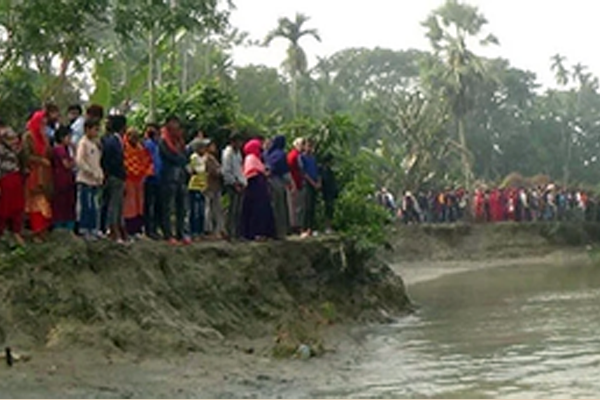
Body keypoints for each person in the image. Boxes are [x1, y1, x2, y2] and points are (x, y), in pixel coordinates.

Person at [23, 110, 54, 242]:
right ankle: (36, 231)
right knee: (35, 203)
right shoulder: (28, 136)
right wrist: (40, 160)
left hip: (45, 174)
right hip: (34, 173)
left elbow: (49, 153)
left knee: (45, 201)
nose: (44, 125)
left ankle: (43, 230)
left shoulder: (44, 137)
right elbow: (25, 156)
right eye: (42, 122)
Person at [159, 116, 190, 245]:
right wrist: (179, 158)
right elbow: (168, 156)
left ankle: (180, 233)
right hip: (168, 177)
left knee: (181, 207)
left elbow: (185, 157)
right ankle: (168, 234)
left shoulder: (180, 141)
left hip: (180, 177)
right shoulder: (163, 140)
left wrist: (181, 158)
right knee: (167, 207)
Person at [240, 139, 275, 241]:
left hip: (260, 188)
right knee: (255, 211)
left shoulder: (257, 158)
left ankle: (263, 232)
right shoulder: (250, 158)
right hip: (254, 188)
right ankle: (255, 233)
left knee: (263, 210)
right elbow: (249, 173)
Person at [75, 119, 104, 240]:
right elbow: (80, 161)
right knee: (87, 205)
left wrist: (99, 175)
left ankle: (93, 228)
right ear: (87, 129)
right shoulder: (83, 143)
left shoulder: (95, 144)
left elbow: (97, 162)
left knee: (95, 206)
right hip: (85, 180)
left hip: (95, 181)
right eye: (95, 129)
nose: (96, 132)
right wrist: (90, 172)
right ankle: (85, 228)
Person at [101, 115, 128, 243]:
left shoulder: (116, 140)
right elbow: (109, 160)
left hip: (117, 176)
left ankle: (119, 228)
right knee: (114, 204)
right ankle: (113, 229)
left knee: (118, 205)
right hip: (114, 176)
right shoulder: (113, 141)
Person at [123, 127, 153, 238]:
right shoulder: (124, 147)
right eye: (133, 137)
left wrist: (145, 173)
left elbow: (147, 161)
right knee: (129, 205)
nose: (135, 139)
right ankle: (129, 229)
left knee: (139, 204)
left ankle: (138, 228)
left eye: (137, 137)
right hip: (129, 179)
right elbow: (125, 163)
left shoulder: (141, 148)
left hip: (139, 179)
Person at [0, 124, 26, 247]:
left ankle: (16, 232)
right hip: (5, 179)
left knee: (17, 206)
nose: (14, 141)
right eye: (11, 139)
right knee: (5, 207)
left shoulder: (13, 149)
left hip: (15, 178)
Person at [265, 135, 291, 240]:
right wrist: (289, 182)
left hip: (268, 182)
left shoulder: (268, 153)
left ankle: (270, 231)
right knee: (280, 207)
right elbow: (284, 170)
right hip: (278, 182)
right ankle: (280, 232)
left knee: (272, 206)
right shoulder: (281, 154)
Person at [222, 132, 246, 240]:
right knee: (231, 209)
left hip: (240, 182)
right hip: (232, 184)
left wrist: (243, 182)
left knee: (238, 210)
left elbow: (239, 169)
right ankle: (229, 232)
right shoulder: (228, 153)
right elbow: (226, 171)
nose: (240, 144)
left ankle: (236, 232)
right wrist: (234, 183)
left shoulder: (238, 153)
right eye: (238, 141)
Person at [51, 126, 76, 231]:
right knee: (61, 203)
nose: (70, 140)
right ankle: (59, 225)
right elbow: (67, 165)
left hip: (67, 179)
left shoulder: (65, 149)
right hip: (61, 178)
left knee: (68, 202)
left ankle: (67, 225)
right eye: (68, 137)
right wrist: (74, 157)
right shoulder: (59, 149)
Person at [187, 138, 209, 241]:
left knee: (201, 211)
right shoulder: (194, 157)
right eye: (203, 147)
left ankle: (200, 232)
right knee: (194, 211)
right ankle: (193, 232)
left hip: (202, 187)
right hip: (195, 187)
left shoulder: (203, 158)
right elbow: (198, 170)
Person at [143, 123, 162, 240]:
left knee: (157, 205)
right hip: (149, 177)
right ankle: (149, 229)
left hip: (158, 178)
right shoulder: (148, 144)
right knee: (149, 204)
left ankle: (154, 228)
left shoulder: (158, 145)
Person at [204, 139, 224, 239]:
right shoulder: (207, 158)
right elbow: (213, 171)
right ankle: (208, 228)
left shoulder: (213, 158)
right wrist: (221, 171)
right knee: (209, 207)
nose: (214, 148)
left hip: (216, 186)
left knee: (216, 208)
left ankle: (217, 229)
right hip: (209, 185)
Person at [300, 139, 321, 238]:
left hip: (315, 183)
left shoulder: (314, 158)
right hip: (307, 184)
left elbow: (317, 171)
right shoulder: (301, 157)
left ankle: (311, 228)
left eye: (311, 146)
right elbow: (303, 173)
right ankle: (304, 228)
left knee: (312, 207)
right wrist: (313, 183)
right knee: (306, 207)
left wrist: (319, 182)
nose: (310, 148)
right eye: (308, 146)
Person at [287, 138, 305, 234]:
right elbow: (290, 170)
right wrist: (292, 183)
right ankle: (294, 226)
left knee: (299, 206)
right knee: (294, 206)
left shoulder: (299, 156)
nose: (303, 147)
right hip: (295, 183)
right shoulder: (293, 156)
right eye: (301, 145)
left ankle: (298, 225)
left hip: (299, 183)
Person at [319, 153, 338, 234]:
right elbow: (325, 181)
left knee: (330, 210)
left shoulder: (329, 170)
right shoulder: (324, 170)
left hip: (330, 192)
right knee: (328, 209)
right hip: (327, 192)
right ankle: (327, 226)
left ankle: (329, 226)